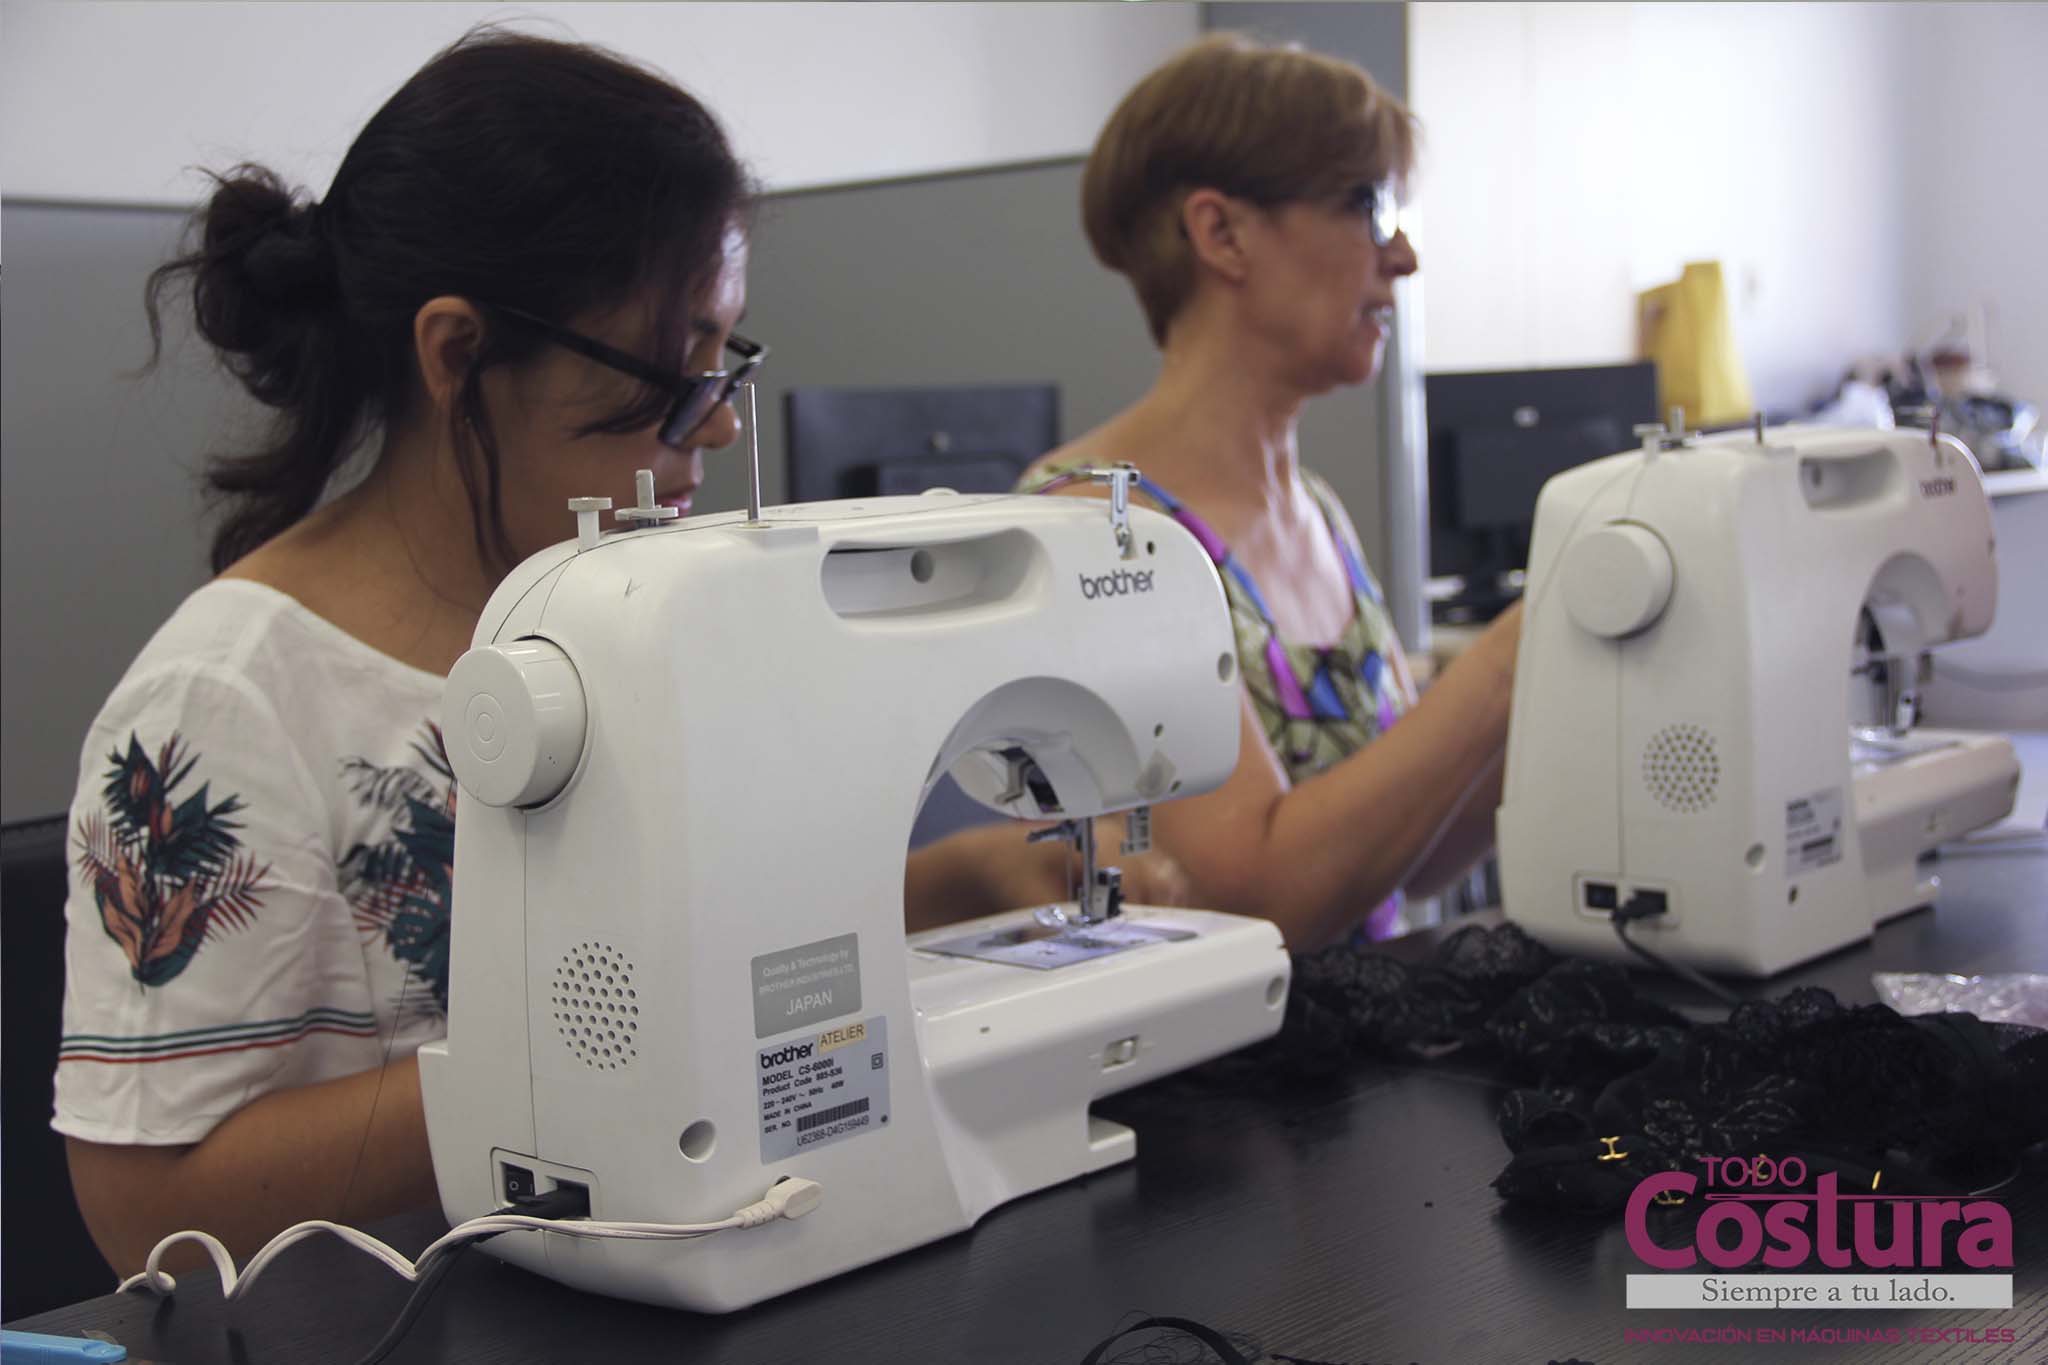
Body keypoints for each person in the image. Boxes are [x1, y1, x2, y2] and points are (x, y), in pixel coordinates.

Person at [54, 29, 1147, 1278]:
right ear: (458, 354)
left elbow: (711, 947)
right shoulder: (227, 701)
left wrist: (960, 883)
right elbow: (146, 1210)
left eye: (724, 359)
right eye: (670, 369)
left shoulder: (659, 619)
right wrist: (585, 1069)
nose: (718, 425)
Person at [1022, 34, 1522, 950]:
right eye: (1369, 207)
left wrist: (1566, 677)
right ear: (1222, 233)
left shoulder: (1316, 509)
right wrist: (1503, 664)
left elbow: (1409, 855)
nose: (1404, 256)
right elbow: (1255, 899)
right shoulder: (1098, 522)